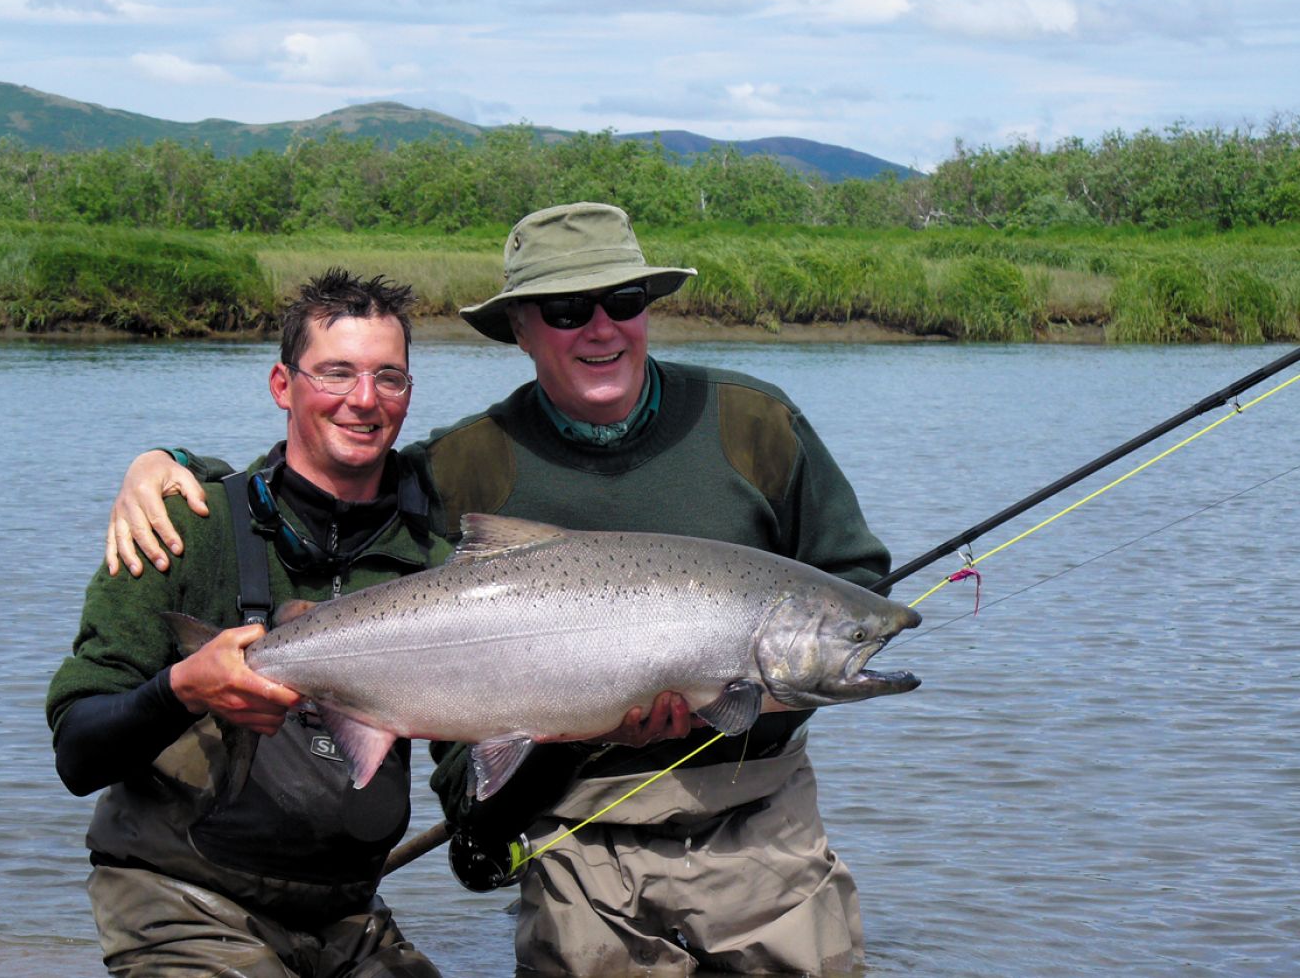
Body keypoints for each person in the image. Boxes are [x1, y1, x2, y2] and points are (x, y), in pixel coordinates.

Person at [105, 203, 893, 976]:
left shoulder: (753, 422)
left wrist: (770, 690)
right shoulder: (462, 462)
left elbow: (853, 584)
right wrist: (167, 463)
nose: (600, 327)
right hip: (574, 832)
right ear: (520, 328)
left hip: (763, 825)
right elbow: (325, 471)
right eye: (564, 309)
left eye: (622, 302)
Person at [47, 269, 453, 978]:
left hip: (348, 916)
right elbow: (77, 752)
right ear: (281, 385)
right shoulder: (182, 527)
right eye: (336, 374)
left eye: (389, 378)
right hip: (180, 903)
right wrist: (180, 690)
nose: (364, 400)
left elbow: (468, 771)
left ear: (410, 395)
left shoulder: (436, 563)